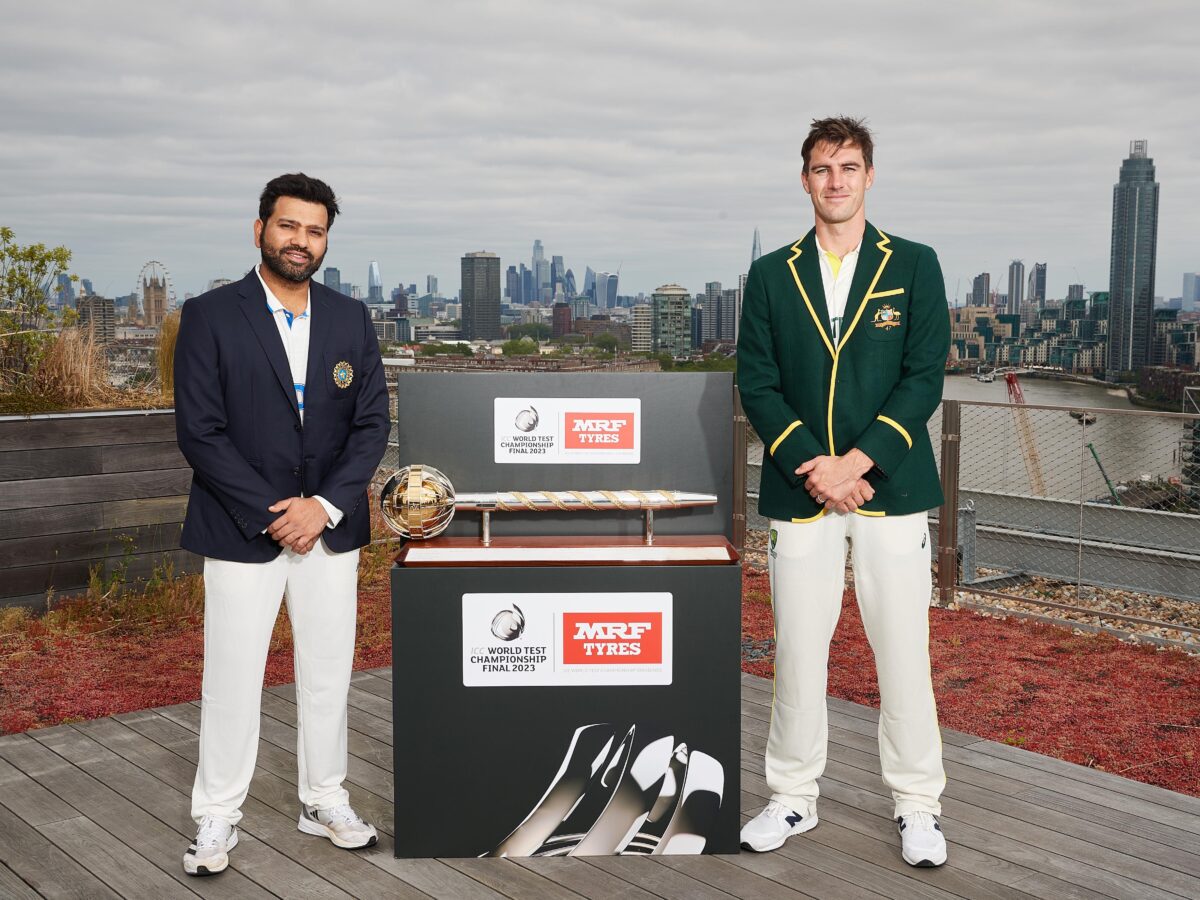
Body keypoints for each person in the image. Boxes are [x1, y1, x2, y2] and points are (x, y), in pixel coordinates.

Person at [737, 117, 951, 867]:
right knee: (798, 652)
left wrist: (857, 463)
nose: (836, 181)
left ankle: (917, 804)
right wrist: (815, 466)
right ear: (805, 180)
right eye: (823, 169)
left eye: (849, 167)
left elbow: (924, 378)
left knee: (904, 653)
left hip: (890, 490)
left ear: (869, 177)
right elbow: (756, 383)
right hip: (802, 495)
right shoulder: (770, 275)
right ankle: (792, 795)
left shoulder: (916, 265)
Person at [173, 173, 390, 876]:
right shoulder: (209, 315)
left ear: (327, 239)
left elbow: (371, 426)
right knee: (232, 675)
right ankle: (217, 815)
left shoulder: (351, 318)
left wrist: (322, 507)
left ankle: (323, 797)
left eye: (315, 230)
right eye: (289, 226)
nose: (301, 241)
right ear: (260, 228)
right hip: (243, 530)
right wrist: (277, 515)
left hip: (330, 528)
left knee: (328, 672)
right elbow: (200, 434)